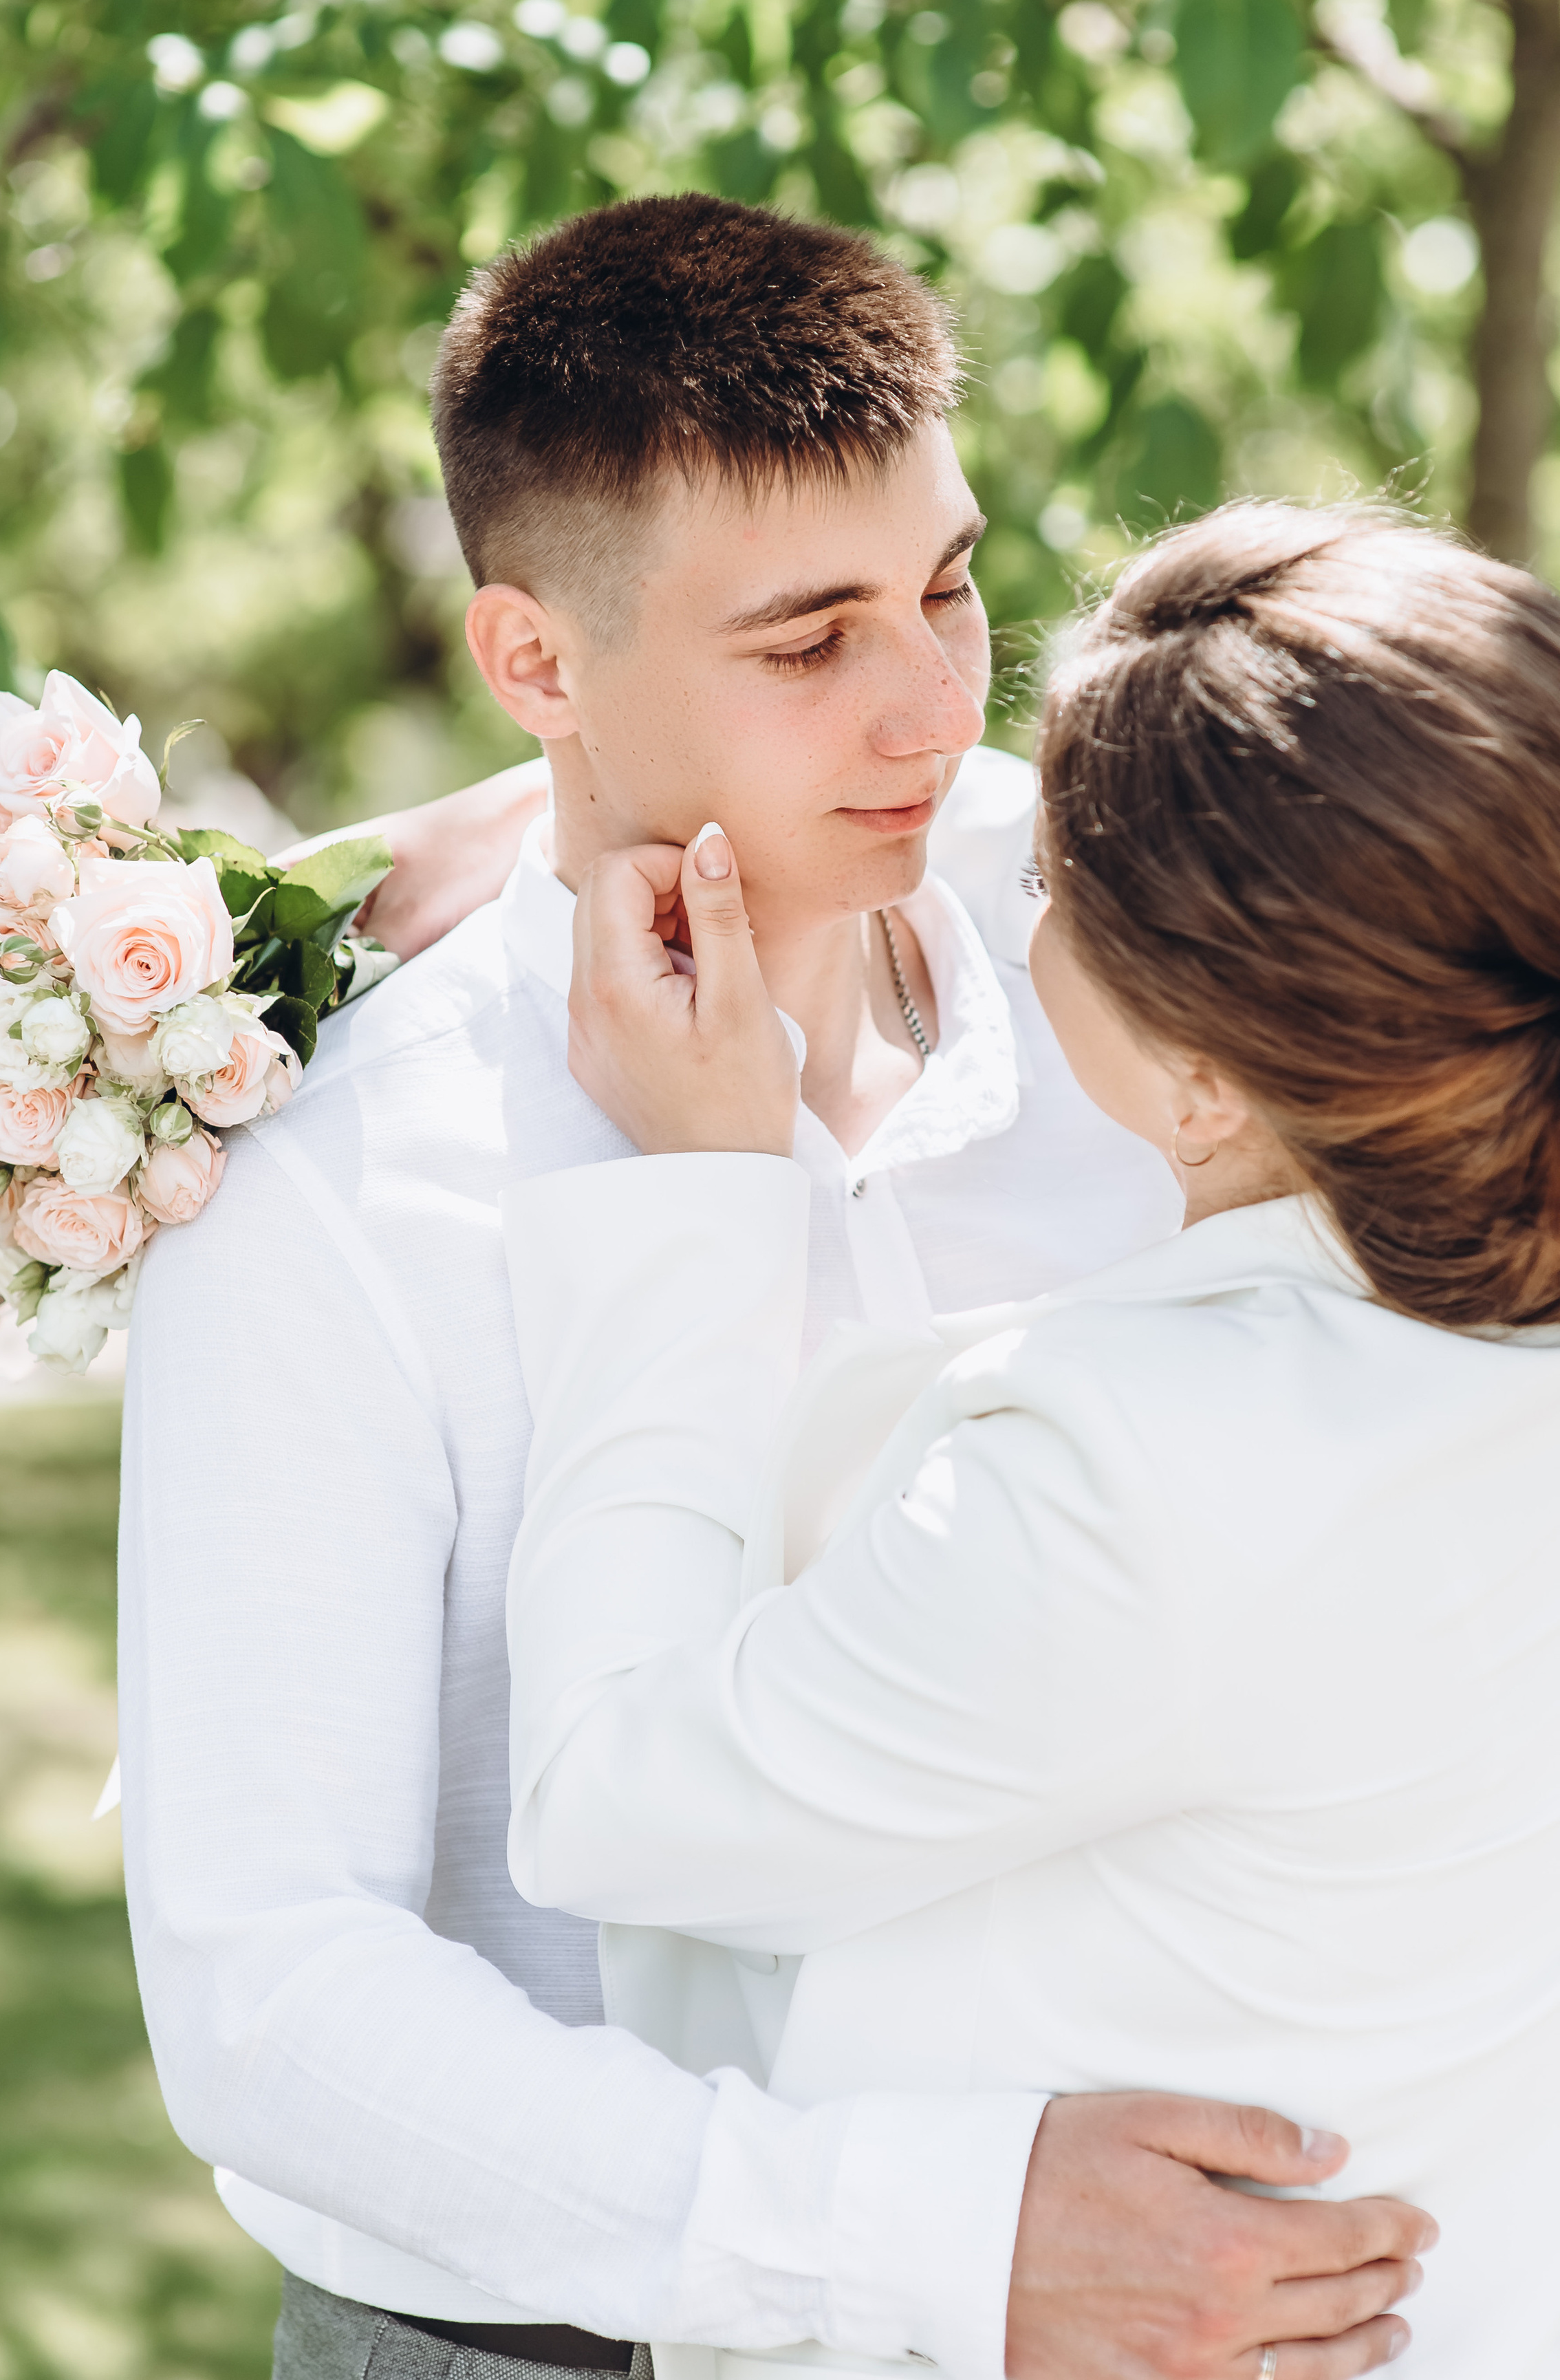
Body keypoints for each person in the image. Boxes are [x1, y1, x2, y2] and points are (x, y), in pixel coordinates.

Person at [120, 199, 1430, 2380]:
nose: (931, 704)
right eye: (808, 643)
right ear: (537, 665)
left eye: (950, 586)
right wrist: (926, 2244)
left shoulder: (1134, 954)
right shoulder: (330, 1191)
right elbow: (270, 1995)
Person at [498, 503, 1560, 2380]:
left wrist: (704, 1200)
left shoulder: (1133, 1476)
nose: (1012, 894)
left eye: (1058, 874)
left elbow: (606, 1798)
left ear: (1207, 1069)